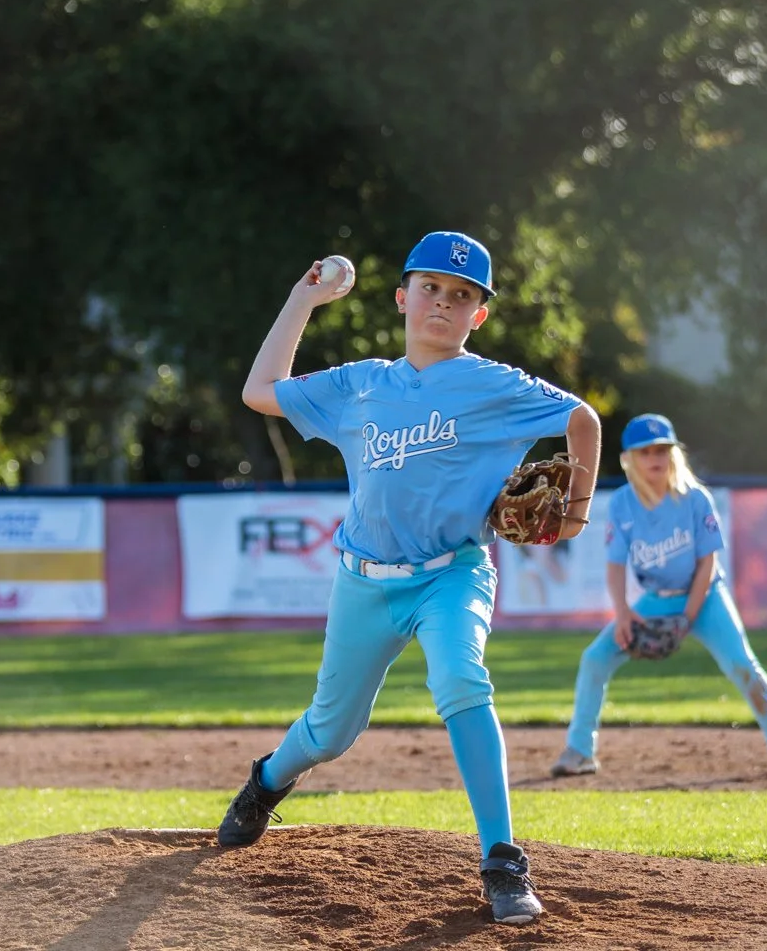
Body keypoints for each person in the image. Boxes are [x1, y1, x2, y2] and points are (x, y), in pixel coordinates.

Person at [222, 231, 601, 926]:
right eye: (431, 288)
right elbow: (258, 391)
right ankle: (266, 781)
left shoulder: (497, 386)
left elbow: (583, 417)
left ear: (477, 316)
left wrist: (573, 516)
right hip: (363, 581)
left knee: (460, 679)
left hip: (453, 574)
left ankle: (502, 859)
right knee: (331, 732)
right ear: (402, 297)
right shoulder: (361, 384)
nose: (443, 303)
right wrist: (304, 298)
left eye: (462, 296)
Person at [550, 413, 767, 779]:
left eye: (662, 449)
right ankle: (580, 750)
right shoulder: (622, 504)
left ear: (674, 454)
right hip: (656, 598)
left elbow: (708, 563)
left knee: (741, 663)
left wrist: (687, 618)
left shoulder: (695, 499)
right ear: (629, 459)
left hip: (704, 596)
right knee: (595, 659)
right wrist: (624, 613)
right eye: (645, 452)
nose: (655, 458)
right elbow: (615, 566)